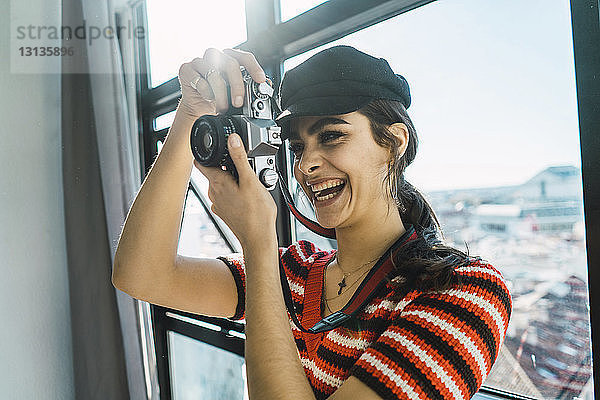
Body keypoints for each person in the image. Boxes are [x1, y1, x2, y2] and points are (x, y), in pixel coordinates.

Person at [112, 45, 512, 400]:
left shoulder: (465, 292)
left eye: (332, 136)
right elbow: (142, 274)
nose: (306, 165)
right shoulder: (293, 274)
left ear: (394, 143)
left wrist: (258, 244)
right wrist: (189, 114)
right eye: (299, 146)